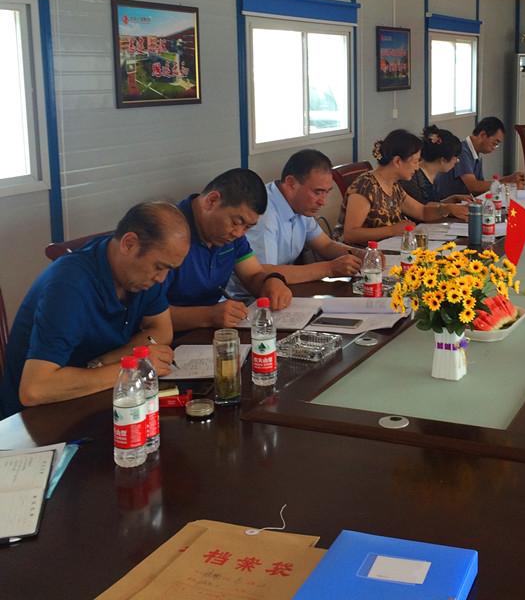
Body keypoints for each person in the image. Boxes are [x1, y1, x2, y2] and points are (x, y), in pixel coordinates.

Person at [0, 202, 190, 419]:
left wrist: (108, 361)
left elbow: (161, 331)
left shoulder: (141, 276)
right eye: (159, 267)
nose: (162, 279)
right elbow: (34, 390)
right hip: (36, 419)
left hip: (96, 396)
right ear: (129, 244)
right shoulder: (70, 285)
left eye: (169, 270)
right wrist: (135, 368)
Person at [167, 169, 292, 331]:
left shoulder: (229, 236)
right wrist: (208, 316)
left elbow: (253, 275)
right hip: (169, 338)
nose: (239, 233)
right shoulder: (168, 233)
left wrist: (271, 281)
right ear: (212, 201)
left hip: (210, 331)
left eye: (247, 227)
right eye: (236, 222)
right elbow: (148, 316)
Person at [229, 150, 363, 287]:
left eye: (327, 192)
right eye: (317, 192)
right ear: (291, 182)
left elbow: (325, 245)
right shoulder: (264, 214)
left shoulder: (300, 205)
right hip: (251, 296)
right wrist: (329, 268)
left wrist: (362, 255)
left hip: (284, 287)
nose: (323, 201)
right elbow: (264, 272)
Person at [339, 130, 470, 245]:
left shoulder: (394, 186)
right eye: (415, 162)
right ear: (397, 161)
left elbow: (422, 212)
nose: (417, 168)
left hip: (388, 248)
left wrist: (447, 208)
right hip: (362, 254)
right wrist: (392, 230)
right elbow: (350, 234)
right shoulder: (365, 186)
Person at [434, 117, 524, 198]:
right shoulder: (462, 151)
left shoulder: (476, 154)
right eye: (495, 143)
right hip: (450, 204)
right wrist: (508, 184)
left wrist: (509, 179)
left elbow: (481, 187)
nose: (494, 147)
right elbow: (474, 186)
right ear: (482, 135)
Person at [402, 126, 472, 209]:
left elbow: (432, 204)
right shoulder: (413, 178)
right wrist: (450, 208)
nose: (457, 161)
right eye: (455, 156)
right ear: (443, 160)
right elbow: (422, 209)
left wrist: (453, 199)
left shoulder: (433, 175)